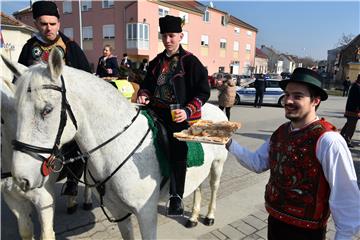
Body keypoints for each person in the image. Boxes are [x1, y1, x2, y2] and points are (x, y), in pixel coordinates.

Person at [226, 68, 360, 240]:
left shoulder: (329, 141)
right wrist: (228, 143)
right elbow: (258, 163)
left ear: (315, 101)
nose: (288, 100)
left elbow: (346, 200)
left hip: (306, 233)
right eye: (287, 94)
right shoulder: (281, 132)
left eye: (297, 96)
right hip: (275, 223)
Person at [17, 1, 91, 201]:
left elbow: (87, 75)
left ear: (59, 23)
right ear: (35, 23)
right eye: (43, 24)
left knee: (77, 144)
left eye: (52, 23)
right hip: (38, 109)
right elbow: (20, 77)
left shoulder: (70, 46)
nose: (48, 28)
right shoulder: (29, 47)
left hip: (66, 107)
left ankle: (73, 182)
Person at [137, 15, 209, 216]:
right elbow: (146, 86)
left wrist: (186, 111)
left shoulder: (191, 62)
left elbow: (203, 92)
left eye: (171, 36)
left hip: (177, 115)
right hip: (154, 110)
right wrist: (143, 94)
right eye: (164, 36)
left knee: (178, 146)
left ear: (180, 36)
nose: (167, 40)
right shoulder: (156, 62)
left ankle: (175, 196)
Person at [341, 74, 360, 148]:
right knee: (351, 126)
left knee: (348, 124)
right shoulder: (356, 87)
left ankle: (341, 136)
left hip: (352, 109)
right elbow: (358, 100)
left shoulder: (356, 86)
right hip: (353, 110)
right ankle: (347, 140)